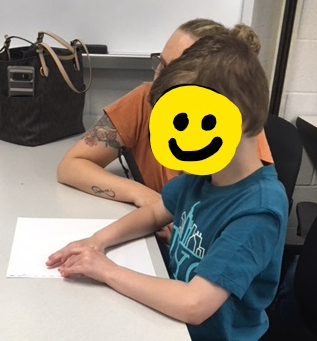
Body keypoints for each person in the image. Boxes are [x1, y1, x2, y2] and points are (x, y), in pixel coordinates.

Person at [47, 33, 288, 341]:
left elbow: (194, 304)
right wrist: (98, 242)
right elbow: (153, 214)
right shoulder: (203, 176)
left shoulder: (258, 210)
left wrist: (106, 271)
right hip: (171, 322)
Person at [56, 19, 273, 211]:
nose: (158, 77)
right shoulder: (145, 99)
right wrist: (144, 196)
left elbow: (239, 213)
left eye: (172, 71)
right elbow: (71, 166)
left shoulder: (238, 128)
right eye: (161, 62)